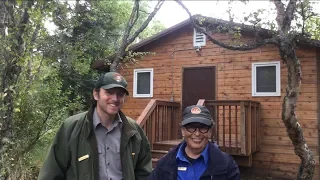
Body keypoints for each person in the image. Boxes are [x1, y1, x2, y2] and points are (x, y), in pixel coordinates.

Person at [38, 72, 152, 180]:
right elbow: (52, 172)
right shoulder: (72, 127)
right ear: (96, 94)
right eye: (109, 92)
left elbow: (144, 173)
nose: (115, 98)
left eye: (120, 94)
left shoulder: (134, 131)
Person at [148, 105, 240, 180]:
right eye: (191, 127)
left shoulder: (226, 163)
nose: (197, 133)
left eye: (203, 128)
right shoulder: (164, 163)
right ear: (183, 131)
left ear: (210, 132)